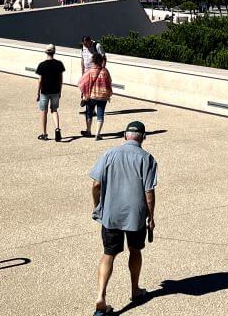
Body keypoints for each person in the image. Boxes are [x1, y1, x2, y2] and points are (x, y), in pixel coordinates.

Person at [90, 121, 157, 315]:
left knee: (108, 253)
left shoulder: (109, 153)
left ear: (124, 136)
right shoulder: (147, 159)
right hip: (135, 216)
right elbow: (149, 193)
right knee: (135, 251)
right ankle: (135, 290)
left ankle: (101, 296)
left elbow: (95, 184)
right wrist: (151, 218)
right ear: (143, 138)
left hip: (111, 213)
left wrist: (98, 208)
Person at [35, 44, 65, 140]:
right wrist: (60, 91)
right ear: (54, 52)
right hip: (55, 91)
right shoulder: (59, 64)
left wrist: (37, 93)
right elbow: (61, 79)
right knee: (54, 110)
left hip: (45, 91)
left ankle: (44, 133)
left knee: (44, 111)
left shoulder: (42, 65)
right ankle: (57, 128)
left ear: (45, 52)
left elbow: (40, 80)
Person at [79, 53, 113, 138]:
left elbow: (81, 83)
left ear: (93, 61)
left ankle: (88, 131)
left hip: (92, 96)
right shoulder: (105, 71)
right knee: (100, 114)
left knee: (89, 113)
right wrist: (109, 94)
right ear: (101, 61)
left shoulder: (90, 71)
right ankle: (98, 133)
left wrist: (85, 93)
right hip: (103, 96)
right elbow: (109, 82)